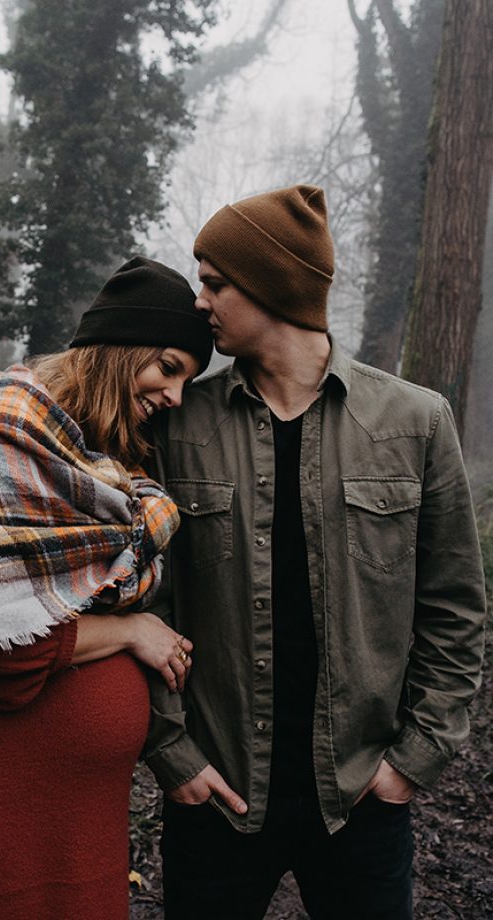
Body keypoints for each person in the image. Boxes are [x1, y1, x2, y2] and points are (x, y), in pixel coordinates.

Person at [143, 185, 487, 919]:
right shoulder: (179, 424)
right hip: (219, 797)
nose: (200, 302)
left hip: (361, 799)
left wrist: (412, 762)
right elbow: (147, 601)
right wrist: (175, 757)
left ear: (274, 284)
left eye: (215, 282)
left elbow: (455, 607)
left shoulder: (416, 422)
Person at [0, 256, 213, 920]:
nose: (174, 395)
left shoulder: (117, 465)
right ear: (121, 347)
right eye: (168, 367)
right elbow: (2, 654)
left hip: (84, 817)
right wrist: (133, 629)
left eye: (188, 381)